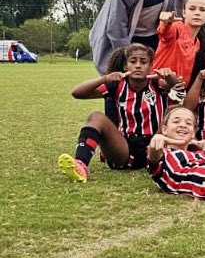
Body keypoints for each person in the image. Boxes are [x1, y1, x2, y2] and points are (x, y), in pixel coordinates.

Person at [58, 43, 180, 182]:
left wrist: (169, 77)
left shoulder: (158, 85)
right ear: (125, 66)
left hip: (153, 146)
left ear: (150, 66)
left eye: (143, 62)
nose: (138, 65)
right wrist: (105, 78)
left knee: (172, 111)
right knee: (96, 117)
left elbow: (177, 88)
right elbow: (77, 93)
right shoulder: (117, 85)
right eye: (133, 62)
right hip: (123, 148)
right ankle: (80, 165)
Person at [151, 0, 205, 82]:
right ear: (184, 12)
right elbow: (165, 32)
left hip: (179, 91)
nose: (197, 13)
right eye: (192, 9)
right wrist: (166, 23)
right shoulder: (177, 28)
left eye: (202, 10)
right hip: (158, 87)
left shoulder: (198, 42)